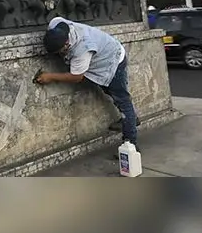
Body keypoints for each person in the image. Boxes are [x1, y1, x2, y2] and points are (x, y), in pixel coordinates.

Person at [33, 16, 138, 153]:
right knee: (109, 91)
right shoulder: (56, 24)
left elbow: (76, 77)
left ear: (66, 44)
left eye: (60, 51)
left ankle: (131, 143)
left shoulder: (82, 49)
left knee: (122, 100)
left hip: (113, 60)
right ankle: (130, 120)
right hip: (102, 56)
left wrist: (50, 77)